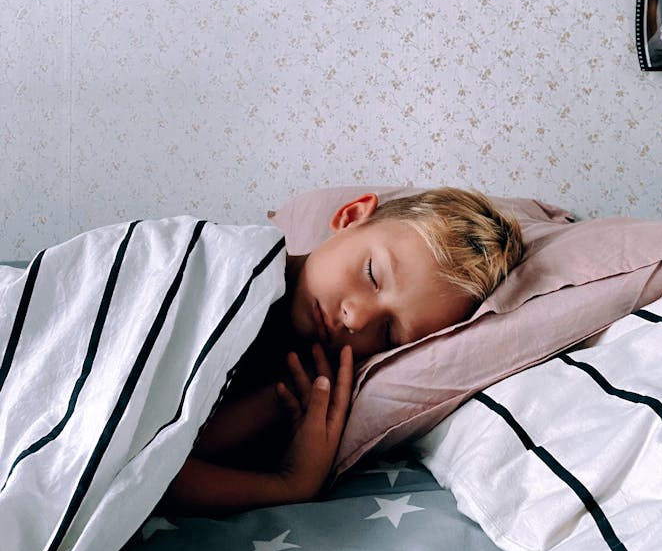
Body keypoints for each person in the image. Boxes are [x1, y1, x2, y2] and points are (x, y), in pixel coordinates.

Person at [163, 188, 523, 514]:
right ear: (350, 217)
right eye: (371, 273)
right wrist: (287, 486)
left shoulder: (299, 383)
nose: (356, 316)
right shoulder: (226, 262)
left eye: (389, 332)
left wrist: (292, 483)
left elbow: (154, 463)